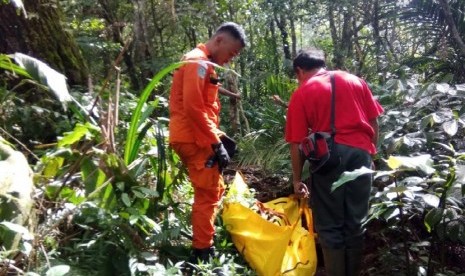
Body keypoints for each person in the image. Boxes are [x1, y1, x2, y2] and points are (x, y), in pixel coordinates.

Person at [285, 48, 383, 276]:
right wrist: (371, 156)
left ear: (299, 71)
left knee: (330, 225)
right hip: (360, 155)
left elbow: (296, 142)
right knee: (356, 221)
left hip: (328, 160)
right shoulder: (355, 81)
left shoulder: (302, 92)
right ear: (323, 64)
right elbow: (373, 121)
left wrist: (297, 179)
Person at [168, 22, 247, 263]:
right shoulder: (198, 61)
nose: (230, 59)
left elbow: (203, 103)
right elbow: (193, 108)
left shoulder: (203, 64)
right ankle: (202, 254)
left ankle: (204, 244)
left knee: (212, 189)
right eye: (232, 53)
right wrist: (216, 143)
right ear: (220, 40)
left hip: (197, 135)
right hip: (194, 139)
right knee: (208, 194)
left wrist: (221, 139)